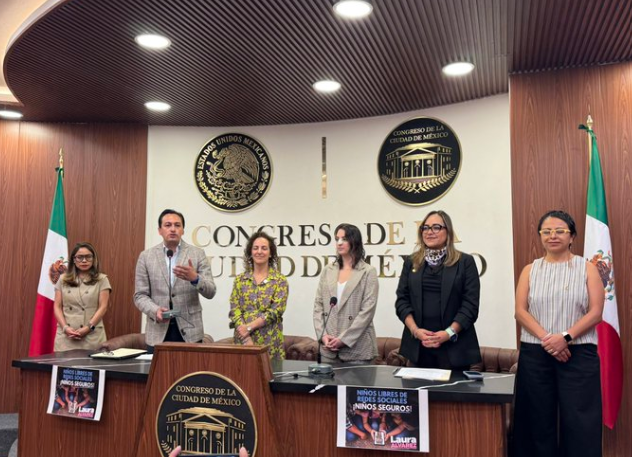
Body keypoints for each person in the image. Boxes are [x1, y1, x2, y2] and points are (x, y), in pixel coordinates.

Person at [513, 210, 604, 457]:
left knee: (580, 420)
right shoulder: (530, 270)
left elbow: (596, 312)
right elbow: (520, 312)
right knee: (536, 418)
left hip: (578, 353)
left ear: (572, 236)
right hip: (536, 353)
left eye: (560, 231)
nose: (553, 236)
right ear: (540, 236)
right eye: (547, 231)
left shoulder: (587, 268)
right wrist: (550, 341)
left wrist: (564, 338)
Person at [395, 210, 481, 370]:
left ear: (448, 231)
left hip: (455, 349)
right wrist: (415, 331)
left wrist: (448, 333)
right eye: (425, 227)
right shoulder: (411, 262)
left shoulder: (465, 262)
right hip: (418, 347)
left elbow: (470, 306)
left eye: (436, 227)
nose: (429, 232)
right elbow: (402, 301)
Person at [134, 209, 216, 351]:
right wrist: (155, 310)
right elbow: (140, 296)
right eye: (168, 225)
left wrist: (195, 279)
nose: (173, 229)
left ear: (183, 230)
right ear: (159, 230)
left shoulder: (197, 254)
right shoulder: (146, 257)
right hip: (158, 331)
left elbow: (211, 291)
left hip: (190, 332)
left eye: (177, 225)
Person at [313, 223, 378, 363]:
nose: (339, 243)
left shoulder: (368, 271)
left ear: (355, 241)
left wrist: (344, 340)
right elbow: (318, 306)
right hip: (328, 349)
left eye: (344, 239)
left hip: (357, 351)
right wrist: (323, 336)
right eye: (337, 239)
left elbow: (367, 311)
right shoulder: (327, 270)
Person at [229, 231, 288, 359]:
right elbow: (234, 310)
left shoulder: (280, 280)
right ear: (250, 252)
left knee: (271, 372)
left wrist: (249, 327)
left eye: (264, 248)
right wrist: (246, 337)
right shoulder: (240, 280)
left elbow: (276, 311)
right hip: (243, 342)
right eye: (255, 248)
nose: (259, 251)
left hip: (270, 343)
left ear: (270, 253)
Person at [53, 242, 110, 351]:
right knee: (63, 362)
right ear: (74, 260)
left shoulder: (102, 279)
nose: (84, 260)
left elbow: (103, 307)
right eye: (80, 257)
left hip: (92, 335)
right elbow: (57, 306)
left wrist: (88, 328)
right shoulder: (63, 279)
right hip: (66, 336)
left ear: (93, 259)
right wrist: (65, 328)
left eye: (88, 257)